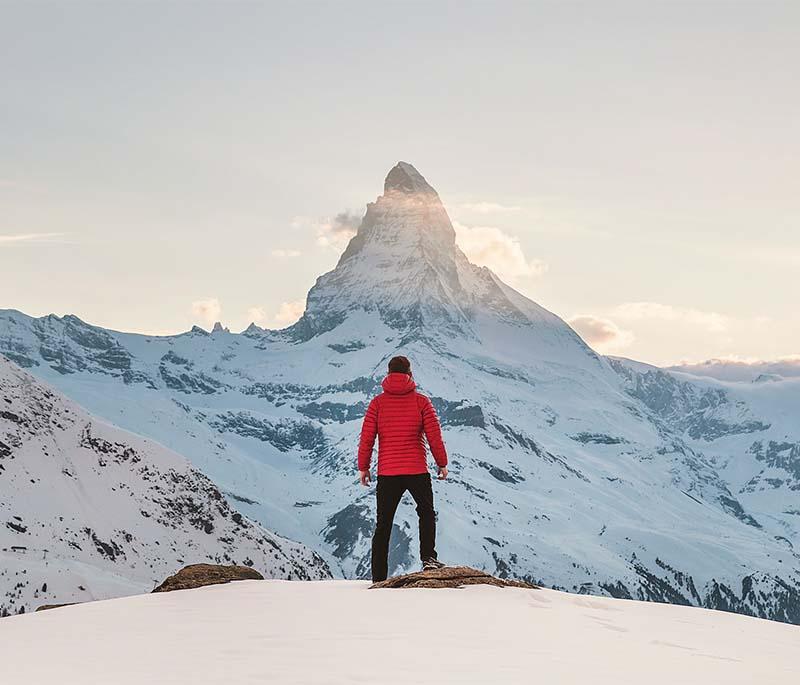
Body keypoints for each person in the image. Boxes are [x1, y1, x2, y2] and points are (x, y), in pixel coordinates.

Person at [358, 355, 449, 582]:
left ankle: (378, 577)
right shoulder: (421, 401)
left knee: (383, 524)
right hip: (417, 469)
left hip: (388, 473)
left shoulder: (377, 403)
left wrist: (364, 467)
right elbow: (434, 436)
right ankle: (428, 559)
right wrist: (442, 463)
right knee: (426, 513)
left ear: (388, 374)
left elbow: (367, 438)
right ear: (410, 374)